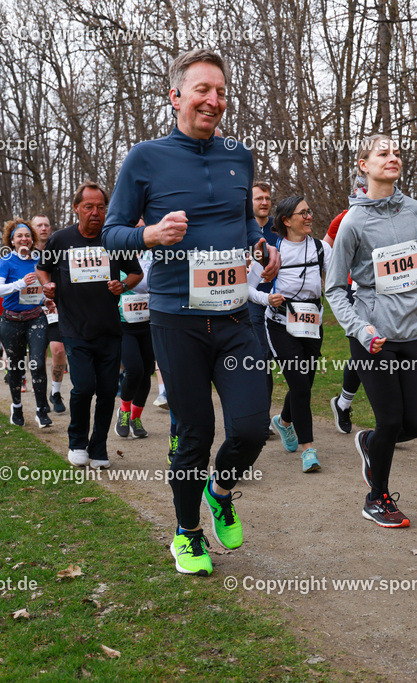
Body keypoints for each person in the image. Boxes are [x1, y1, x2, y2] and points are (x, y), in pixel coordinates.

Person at [102, 49, 281, 577]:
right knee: (194, 430)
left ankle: (220, 489)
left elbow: (245, 221)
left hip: (233, 318)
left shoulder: (238, 156)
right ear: (176, 96)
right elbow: (112, 232)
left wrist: (260, 246)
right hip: (176, 320)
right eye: (203, 89)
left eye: (221, 91)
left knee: (249, 428)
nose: (214, 100)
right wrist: (150, 235)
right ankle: (186, 533)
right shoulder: (145, 158)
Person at [325, 134, 417, 529]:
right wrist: (360, 329)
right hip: (373, 337)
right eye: (383, 153)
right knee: (391, 420)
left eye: (397, 152)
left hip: (413, 332)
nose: (393, 158)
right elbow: (334, 289)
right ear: (363, 165)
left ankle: (369, 442)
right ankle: (376, 497)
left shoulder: (415, 210)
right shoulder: (353, 222)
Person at [37, 183, 142, 466]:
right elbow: (42, 268)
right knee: (83, 387)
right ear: (76, 209)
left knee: (108, 391)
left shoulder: (114, 239)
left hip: (109, 328)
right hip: (74, 327)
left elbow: (136, 273)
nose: (96, 213)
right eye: (89, 207)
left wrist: (122, 285)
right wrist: (47, 286)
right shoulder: (60, 239)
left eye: (100, 207)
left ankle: (99, 448)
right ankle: (77, 443)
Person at [251, 196, 330, 473]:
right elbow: (248, 287)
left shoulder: (321, 249)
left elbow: (335, 284)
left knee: (304, 382)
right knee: (300, 385)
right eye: (303, 213)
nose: (309, 216)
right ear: (286, 220)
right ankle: (309, 450)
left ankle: (284, 422)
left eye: (309, 211)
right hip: (280, 324)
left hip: (311, 324)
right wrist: (266, 299)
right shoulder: (271, 251)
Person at [0, 220, 53, 429]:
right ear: (12, 240)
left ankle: (41, 411)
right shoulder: (6, 261)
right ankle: (16, 406)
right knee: (16, 367)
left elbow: (38, 290)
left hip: (36, 318)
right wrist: (20, 284)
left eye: (27, 235)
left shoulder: (39, 260)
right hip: (11, 321)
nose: (24, 239)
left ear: (32, 239)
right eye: (19, 236)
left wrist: (47, 301)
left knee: (38, 363)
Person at [324, 183, 364, 434]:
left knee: (388, 348)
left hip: (384, 288)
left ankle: (394, 417)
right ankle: (344, 403)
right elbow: (325, 249)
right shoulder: (344, 218)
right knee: (363, 348)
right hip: (352, 289)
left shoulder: (394, 213)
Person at [115, 244, 154, 440]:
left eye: (141, 227)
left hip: (148, 321)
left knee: (146, 372)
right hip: (124, 322)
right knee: (134, 369)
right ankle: (123, 411)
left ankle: (136, 418)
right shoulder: (117, 254)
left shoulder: (153, 253)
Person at [32, 215, 67, 413]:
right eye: (39, 225)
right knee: (38, 357)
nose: (43, 228)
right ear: (33, 229)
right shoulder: (25, 253)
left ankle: (55, 392)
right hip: (32, 310)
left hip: (54, 308)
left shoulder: (58, 249)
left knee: (59, 351)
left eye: (46, 225)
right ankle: (40, 395)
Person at [248, 181, 278, 405]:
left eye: (267, 198)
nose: (264, 202)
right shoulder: (241, 229)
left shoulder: (279, 228)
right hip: (252, 301)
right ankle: (262, 414)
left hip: (278, 300)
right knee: (261, 356)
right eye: (259, 198)